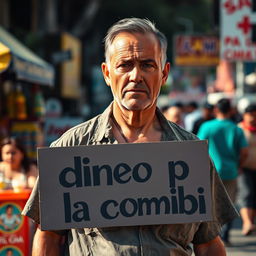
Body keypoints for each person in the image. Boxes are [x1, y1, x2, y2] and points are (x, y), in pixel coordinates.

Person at [23, 18, 238, 256]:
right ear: (107, 73)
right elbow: (48, 238)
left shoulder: (190, 154)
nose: (136, 76)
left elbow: (208, 243)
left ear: (164, 73)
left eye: (148, 65)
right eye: (125, 65)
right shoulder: (70, 148)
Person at [198, 98, 248, 246]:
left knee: (211, 205)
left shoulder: (207, 127)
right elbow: (244, 152)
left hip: (209, 171)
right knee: (229, 204)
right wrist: (239, 164)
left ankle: (214, 237)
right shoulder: (236, 129)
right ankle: (225, 235)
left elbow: (198, 147)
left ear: (216, 110)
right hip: (231, 171)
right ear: (230, 110)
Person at [237, 104, 256, 236]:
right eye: (251, 114)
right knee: (246, 194)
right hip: (243, 168)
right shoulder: (239, 129)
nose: (253, 117)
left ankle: (251, 221)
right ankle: (247, 222)